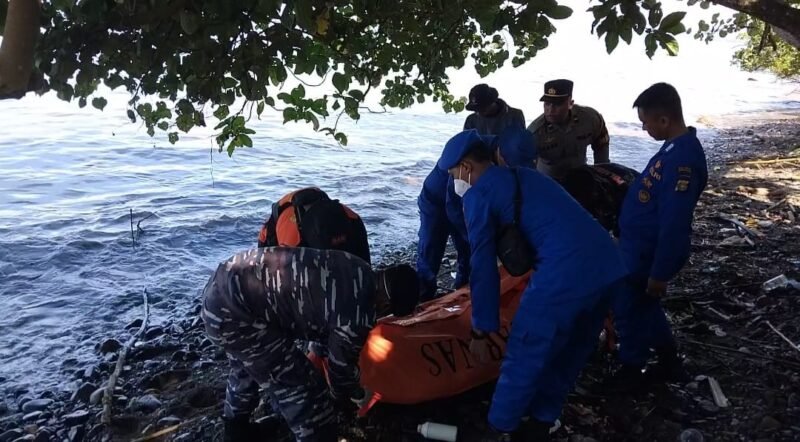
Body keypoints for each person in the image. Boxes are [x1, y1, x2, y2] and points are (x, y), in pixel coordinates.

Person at [437, 130, 627, 440]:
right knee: (572, 351)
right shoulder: (525, 174)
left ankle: (500, 428)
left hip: (564, 272)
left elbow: (482, 265)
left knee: (525, 349)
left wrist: (482, 329)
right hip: (608, 265)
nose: (454, 181)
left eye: (453, 173)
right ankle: (540, 422)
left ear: (466, 167)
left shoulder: (477, 196)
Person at [202, 247, 419, 442]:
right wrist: (353, 395)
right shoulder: (359, 313)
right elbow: (340, 373)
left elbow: (321, 312)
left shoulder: (358, 266)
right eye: (387, 312)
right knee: (304, 390)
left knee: (247, 363)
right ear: (386, 303)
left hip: (223, 286)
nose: (382, 315)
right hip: (237, 316)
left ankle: (236, 430)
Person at [607, 83, 708, 389]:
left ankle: (631, 368)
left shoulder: (683, 160)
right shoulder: (673, 148)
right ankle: (668, 361)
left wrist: (660, 273)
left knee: (628, 308)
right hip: (637, 246)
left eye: (646, 122)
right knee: (645, 307)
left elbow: (675, 220)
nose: (644, 128)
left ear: (664, 120)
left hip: (646, 253)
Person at [416, 127, 537, 301]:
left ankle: (463, 294)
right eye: (512, 166)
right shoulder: (470, 156)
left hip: (464, 199)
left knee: (468, 255)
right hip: (437, 201)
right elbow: (455, 208)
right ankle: (422, 297)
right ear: (501, 155)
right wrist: (477, 238)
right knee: (430, 250)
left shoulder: (512, 151)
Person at [257, 187, 371, 264]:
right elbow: (286, 280)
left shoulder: (354, 221)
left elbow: (366, 267)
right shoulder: (292, 240)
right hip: (274, 235)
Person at [527, 79, 611, 181]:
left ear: (570, 103)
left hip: (582, 178)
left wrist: (602, 173)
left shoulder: (589, 119)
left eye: (557, 104)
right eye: (547, 104)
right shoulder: (535, 132)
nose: (550, 110)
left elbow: (601, 142)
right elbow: (526, 168)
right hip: (549, 183)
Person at [560, 163, 638, 235]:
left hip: (637, 190)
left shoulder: (616, 198)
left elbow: (618, 233)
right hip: (609, 175)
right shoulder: (572, 178)